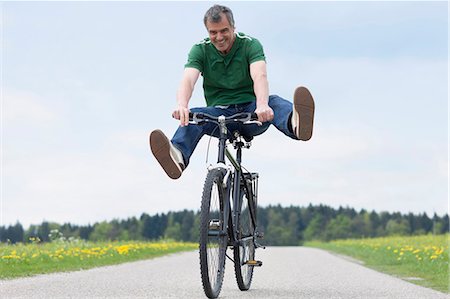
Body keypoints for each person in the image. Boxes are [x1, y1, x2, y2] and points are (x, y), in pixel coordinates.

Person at [150, 4, 315, 179]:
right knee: (192, 116)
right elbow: (188, 79)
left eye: (224, 31)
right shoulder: (200, 50)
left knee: (274, 101)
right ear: (207, 31)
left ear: (233, 27)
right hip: (220, 116)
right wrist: (182, 105)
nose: (219, 37)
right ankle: (178, 156)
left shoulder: (250, 45)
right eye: (213, 32)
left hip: (253, 114)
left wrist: (262, 105)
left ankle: (295, 124)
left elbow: (260, 75)